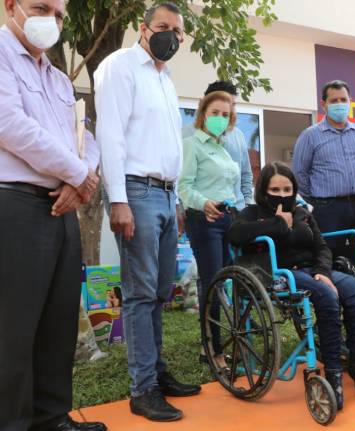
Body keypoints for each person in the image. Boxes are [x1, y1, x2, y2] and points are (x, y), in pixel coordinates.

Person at [0, 0, 106, 430]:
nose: (52, 21)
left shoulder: (60, 79)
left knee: (58, 323)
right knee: (13, 328)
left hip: (62, 207)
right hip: (15, 205)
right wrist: (78, 174)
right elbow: (10, 125)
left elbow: (85, 138)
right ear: (11, 6)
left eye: (59, 15)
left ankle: (52, 418)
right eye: (41, 8)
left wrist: (80, 181)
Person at [95, 2, 200, 422]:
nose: (171, 36)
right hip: (135, 191)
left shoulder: (165, 78)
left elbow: (166, 144)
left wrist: (177, 200)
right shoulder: (120, 67)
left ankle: (156, 371)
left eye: (178, 30)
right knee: (140, 294)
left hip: (165, 194)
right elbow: (110, 134)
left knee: (158, 292)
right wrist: (118, 199)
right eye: (163, 26)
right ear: (143, 28)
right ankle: (143, 389)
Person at [228, 162, 355, 411]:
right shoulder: (252, 213)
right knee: (327, 297)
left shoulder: (302, 212)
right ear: (263, 190)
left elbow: (322, 247)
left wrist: (322, 272)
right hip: (280, 273)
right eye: (275, 190)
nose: (282, 195)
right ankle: (333, 372)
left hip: (313, 270)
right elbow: (234, 235)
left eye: (287, 189)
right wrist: (278, 223)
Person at [178, 90, 240, 368]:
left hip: (228, 219)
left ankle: (231, 339)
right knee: (212, 283)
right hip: (205, 219)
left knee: (229, 282)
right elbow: (183, 186)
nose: (220, 118)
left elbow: (230, 187)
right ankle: (212, 349)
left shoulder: (223, 149)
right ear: (203, 114)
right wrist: (203, 203)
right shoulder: (192, 145)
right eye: (215, 113)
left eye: (225, 115)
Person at [293, 80, 355, 255]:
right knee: (329, 255)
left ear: (350, 101)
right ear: (324, 104)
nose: (340, 104)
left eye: (343, 100)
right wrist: (316, 201)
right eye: (334, 100)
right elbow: (300, 173)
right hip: (327, 209)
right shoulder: (310, 136)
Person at [182, 80, 253, 211]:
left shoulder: (238, 135)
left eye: (232, 105)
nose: (225, 112)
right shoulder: (187, 136)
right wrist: (181, 207)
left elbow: (246, 174)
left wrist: (248, 204)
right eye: (215, 111)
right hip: (202, 211)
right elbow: (181, 181)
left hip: (236, 210)